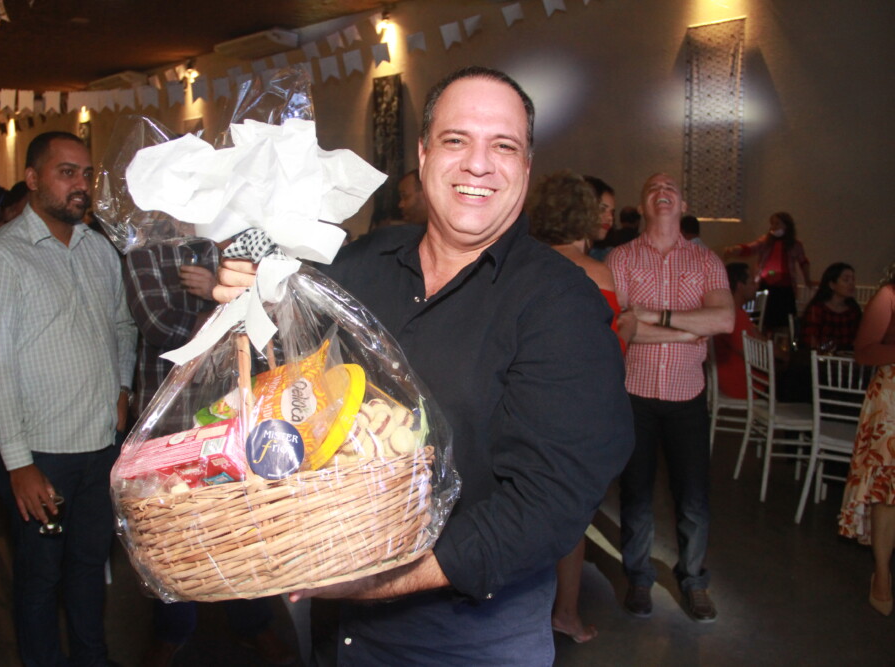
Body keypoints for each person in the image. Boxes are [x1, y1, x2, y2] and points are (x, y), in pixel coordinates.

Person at [215, 66, 633, 664]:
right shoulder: (359, 265)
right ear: (424, 153)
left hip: (468, 638)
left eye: (503, 146)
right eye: (456, 140)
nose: (478, 164)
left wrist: (380, 579)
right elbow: (286, 379)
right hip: (333, 626)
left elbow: (552, 498)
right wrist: (249, 292)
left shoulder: (560, 305)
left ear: (526, 166)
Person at [0, 131, 137, 666]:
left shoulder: (99, 250)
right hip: (42, 453)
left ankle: (92, 658)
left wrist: (122, 387)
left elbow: (123, 325)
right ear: (33, 179)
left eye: (86, 173)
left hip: (99, 443)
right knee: (40, 580)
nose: (80, 184)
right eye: (66, 172)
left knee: (88, 567)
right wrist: (19, 463)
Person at [123, 235, 295, 667]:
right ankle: (172, 631)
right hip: (172, 419)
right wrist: (221, 301)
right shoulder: (147, 249)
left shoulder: (246, 241)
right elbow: (161, 327)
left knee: (242, 522)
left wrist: (233, 294)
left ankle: (252, 623)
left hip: (231, 412)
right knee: (173, 532)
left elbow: (273, 323)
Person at [606, 173, 733, 623]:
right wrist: (685, 329)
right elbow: (622, 327)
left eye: (671, 190)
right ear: (643, 205)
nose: (663, 194)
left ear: (683, 205)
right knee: (636, 493)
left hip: (687, 396)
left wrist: (655, 316)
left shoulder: (706, 260)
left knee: (693, 496)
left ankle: (694, 580)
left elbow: (723, 320)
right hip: (634, 395)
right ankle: (639, 578)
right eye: (653, 190)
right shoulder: (621, 258)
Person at [527, 169, 634, 644]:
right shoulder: (597, 273)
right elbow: (605, 356)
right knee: (572, 516)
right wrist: (628, 332)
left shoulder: (524, 263)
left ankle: (525, 608)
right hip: (579, 412)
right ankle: (566, 613)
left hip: (529, 402)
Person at [840, 262, 895, 616]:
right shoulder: (888, 296)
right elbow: (863, 351)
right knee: (888, 491)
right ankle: (882, 574)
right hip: (892, 399)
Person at [724, 212, 812, 331]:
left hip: (785, 288)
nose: (774, 227)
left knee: (785, 322)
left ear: (786, 225)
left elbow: (803, 262)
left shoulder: (795, 245)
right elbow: (751, 248)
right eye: (772, 224)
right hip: (767, 285)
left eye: (777, 223)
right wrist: (735, 250)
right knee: (765, 319)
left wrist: (807, 279)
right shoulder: (765, 241)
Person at [714, 262, 760, 399]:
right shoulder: (736, 316)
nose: (756, 287)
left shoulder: (721, 311)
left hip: (726, 380)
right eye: (752, 282)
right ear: (740, 286)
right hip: (744, 385)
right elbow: (752, 354)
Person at [800, 262, 862, 352]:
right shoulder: (818, 309)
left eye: (853, 280)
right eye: (846, 280)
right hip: (822, 356)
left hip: (847, 357)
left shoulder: (853, 310)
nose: (851, 284)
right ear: (832, 285)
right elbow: (810, 341)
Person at [584, 175, 615, 262]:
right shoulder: (556, 256)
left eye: (612, 212)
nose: (610, 217)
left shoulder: (609, 256)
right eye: (602, 209)